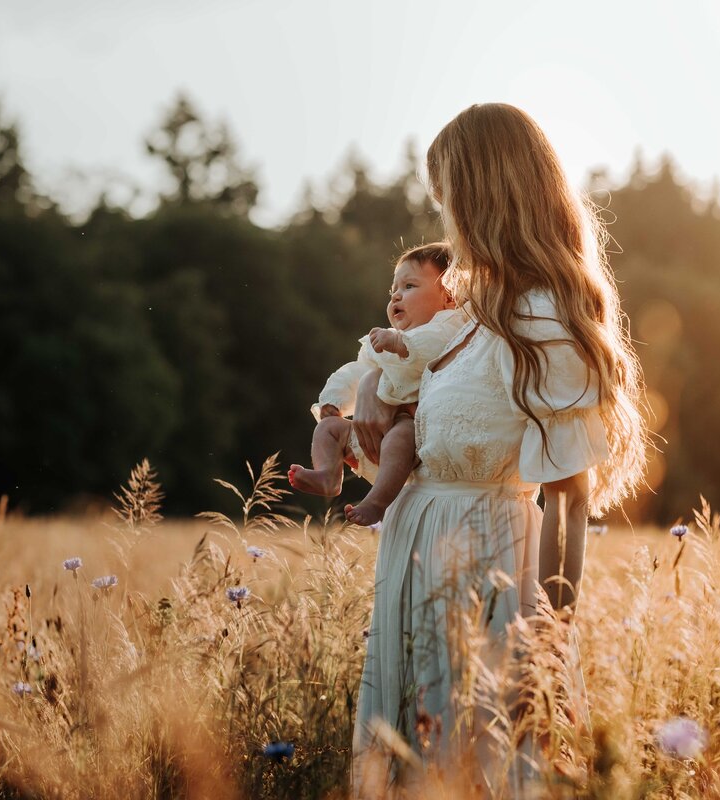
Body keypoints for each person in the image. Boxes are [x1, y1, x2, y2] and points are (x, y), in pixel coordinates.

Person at [349, 104, 648, 796]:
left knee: (480, 762)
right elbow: (431, 410)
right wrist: (373, 382)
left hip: (487, 567)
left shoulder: (541, 314)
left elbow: (569, 500)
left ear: (480, 196)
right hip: (417, 557)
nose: (442, 217)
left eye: (447, 197)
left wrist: (541, 651)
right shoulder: (471, 307)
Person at [288, 242, 465, 527]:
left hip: (413, 426)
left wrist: (400, 342)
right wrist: (334, 401)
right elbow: (358, 371)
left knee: (400, 436)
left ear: (449, 296)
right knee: (328, 429)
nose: (396, 295)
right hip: (376, 428)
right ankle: (328, 476)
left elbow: (432, 345)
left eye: (409, 286)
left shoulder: (451, 324)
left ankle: (377, 501)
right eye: (393, 289)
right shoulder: (386, 338)